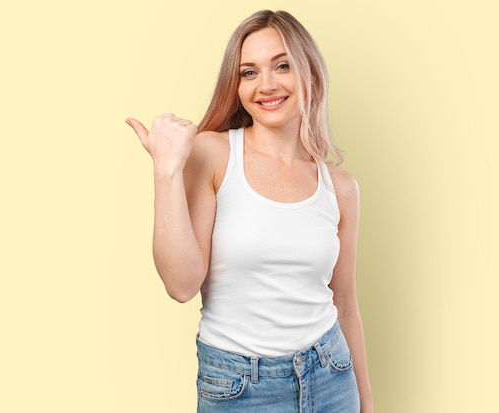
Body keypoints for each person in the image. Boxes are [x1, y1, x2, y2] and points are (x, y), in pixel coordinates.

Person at [126, 9, 373, 413]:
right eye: (249, 72)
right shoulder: (212, 154)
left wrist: (366, 403)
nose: (267, 85)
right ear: (236, 85)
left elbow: (345, 304)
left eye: (282, 66)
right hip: (241, 389)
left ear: (309, 74)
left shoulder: (341, 188)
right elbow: (182, 285)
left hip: (332, 376)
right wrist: (166, 171)